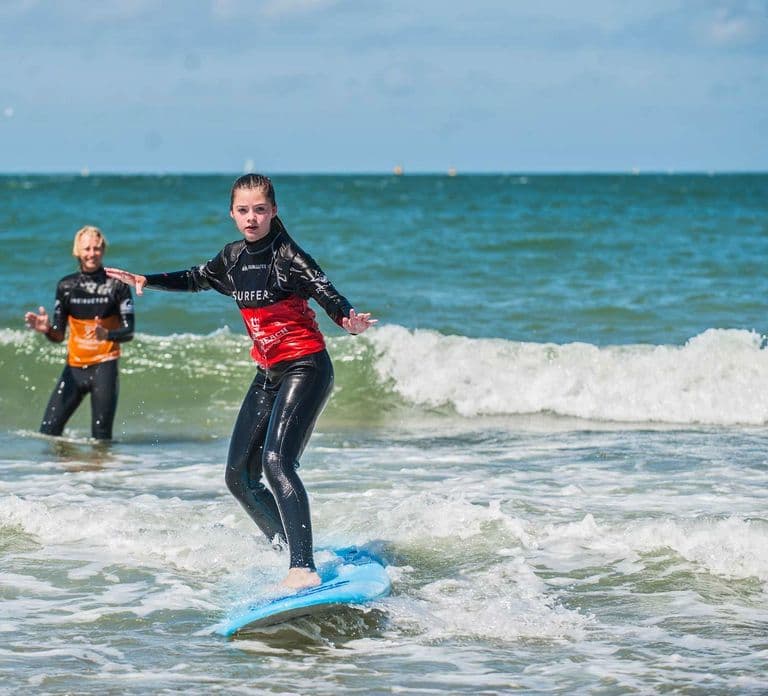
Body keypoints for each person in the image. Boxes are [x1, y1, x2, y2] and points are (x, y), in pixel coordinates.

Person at [105, 174, 376, 590]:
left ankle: (303, 567)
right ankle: (292, 552)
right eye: (244, 210)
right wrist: (149, 280)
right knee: (239, 478)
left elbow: (327, 293)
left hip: (306, 367)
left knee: (276, 462)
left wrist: (347, 319)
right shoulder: (232, 258)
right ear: (232, 213)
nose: (252, 218)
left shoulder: (290, 257)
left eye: (260, 210)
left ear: (273, 211)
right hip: (268, 372)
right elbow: (197, 277)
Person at [24, 226, 135, 440]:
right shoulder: (66, 286)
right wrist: (46, 329)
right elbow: (58, 335)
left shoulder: (118, 285)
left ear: (103, 250)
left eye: (96, 248)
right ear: (77, 251)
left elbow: (128, 331)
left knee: (101, 437)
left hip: (105, 365)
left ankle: (100, 464)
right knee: (48, 432)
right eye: (87, 249)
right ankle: (66, 462)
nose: (92, 253)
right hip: (75, 367)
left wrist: (107, 335)